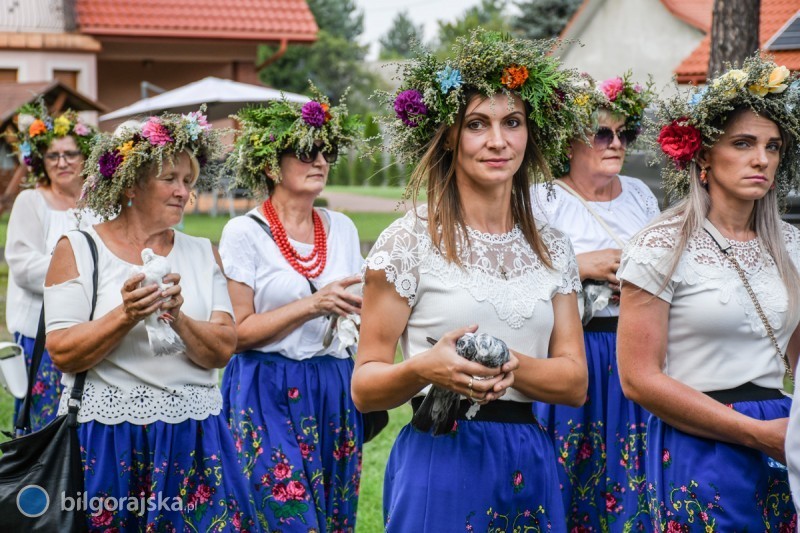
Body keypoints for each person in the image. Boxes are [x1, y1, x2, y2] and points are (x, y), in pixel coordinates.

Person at [351, 29, 589, 531]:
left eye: (513, 122)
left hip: (530, 459)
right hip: (441, 454)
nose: (498, 141)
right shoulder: (407, 242)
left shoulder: (554, 248)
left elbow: (574, 383)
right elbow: (365, 388)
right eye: (478, 124)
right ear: (450, 137)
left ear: (531, 132)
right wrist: (424, 369)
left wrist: (510, 364)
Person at [43, 110, 256, 531]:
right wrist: (126, 315)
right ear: (132, 184)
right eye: (170, 179)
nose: (183, 192)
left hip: (193, 438)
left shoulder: (200, 252)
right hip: (110, 439)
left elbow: (222, 349)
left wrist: (177, 317)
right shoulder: (79, 249)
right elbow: (63, 353)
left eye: (188, 181)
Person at [617, 56, 800, 530]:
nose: (761, 159)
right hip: (699, 440)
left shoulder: (793, 246)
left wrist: (783, 435)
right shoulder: (662, 244)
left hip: (783, 440)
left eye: (772, 146)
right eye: (743, 144)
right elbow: (638, 379)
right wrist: (755, 433)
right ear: (702, 156)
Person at [220, 89, 365, 531]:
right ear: (269, 165)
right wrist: (313, 305)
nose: (319, 160)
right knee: (286, 518)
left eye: (326, 151)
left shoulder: (341, 227)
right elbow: (237, 334)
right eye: (305, 152)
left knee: (335, 515)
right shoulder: (242, 232)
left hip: (334, 385)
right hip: (265, 385)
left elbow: (364, 307)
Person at [531, 74, 657, 529]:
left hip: (634, 348)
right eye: (603, 133)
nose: (616, 142)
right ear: (570, 142)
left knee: (632, 469)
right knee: (568, 467)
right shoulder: (542, 198)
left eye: (625, 133)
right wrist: (581, 264)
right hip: (575, 346)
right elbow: (519, 278)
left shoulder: (641, 195)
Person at [5, 104, 97, 431]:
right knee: (46, 424)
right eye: (53, 156)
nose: (62, 162)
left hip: (93, 332)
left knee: (86, 421)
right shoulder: (32, 202)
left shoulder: (100, 204)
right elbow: (23, 266)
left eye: (70, 154)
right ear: (41, 162)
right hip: (41, 334)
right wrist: (86, 275)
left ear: (85, 155)